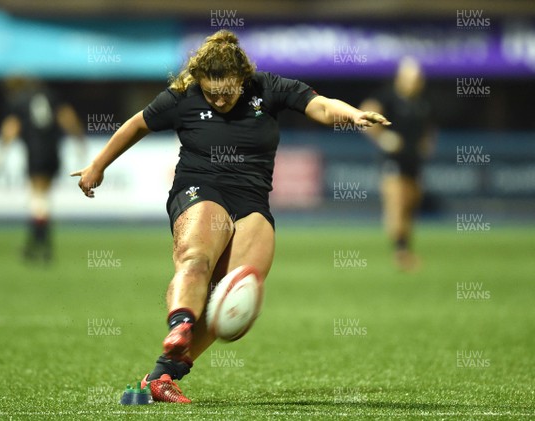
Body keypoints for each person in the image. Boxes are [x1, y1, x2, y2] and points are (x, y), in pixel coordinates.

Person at [71, 30, 390, 403]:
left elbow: (319, 106)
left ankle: (160, 378)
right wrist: (98, 165)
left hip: (252, 199)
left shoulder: (268, 87)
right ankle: (180, 324)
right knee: (196, 259)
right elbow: (137, 124)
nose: (220, 100)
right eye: (211, 93)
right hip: (199, 187)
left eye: (228, 91)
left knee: (234, 299)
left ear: (243, 79)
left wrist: (352, 115)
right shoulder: (181, 96)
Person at [360, 57, 435, 271]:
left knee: (411, 204)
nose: (415, 83)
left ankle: (405, 249)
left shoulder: (423, 102)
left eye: (417, 79)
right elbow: (365, 113)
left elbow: (429, 128)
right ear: (400, 79)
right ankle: (400, 252)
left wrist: (426, 145)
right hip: (393, 161)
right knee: (397, 202)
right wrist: (383, 138)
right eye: (410, 78)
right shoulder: (388, 97)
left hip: (414, 161)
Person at [0, 77, 85, 262]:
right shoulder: (51, 96)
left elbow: (11, 128)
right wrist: (80, 141)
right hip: (53, 151)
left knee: (37, 197)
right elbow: (68, 117)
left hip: (35, 151)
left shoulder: (19, 101)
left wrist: (1, 153)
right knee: (43, 197)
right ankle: (38, 242)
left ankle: (41, 241)